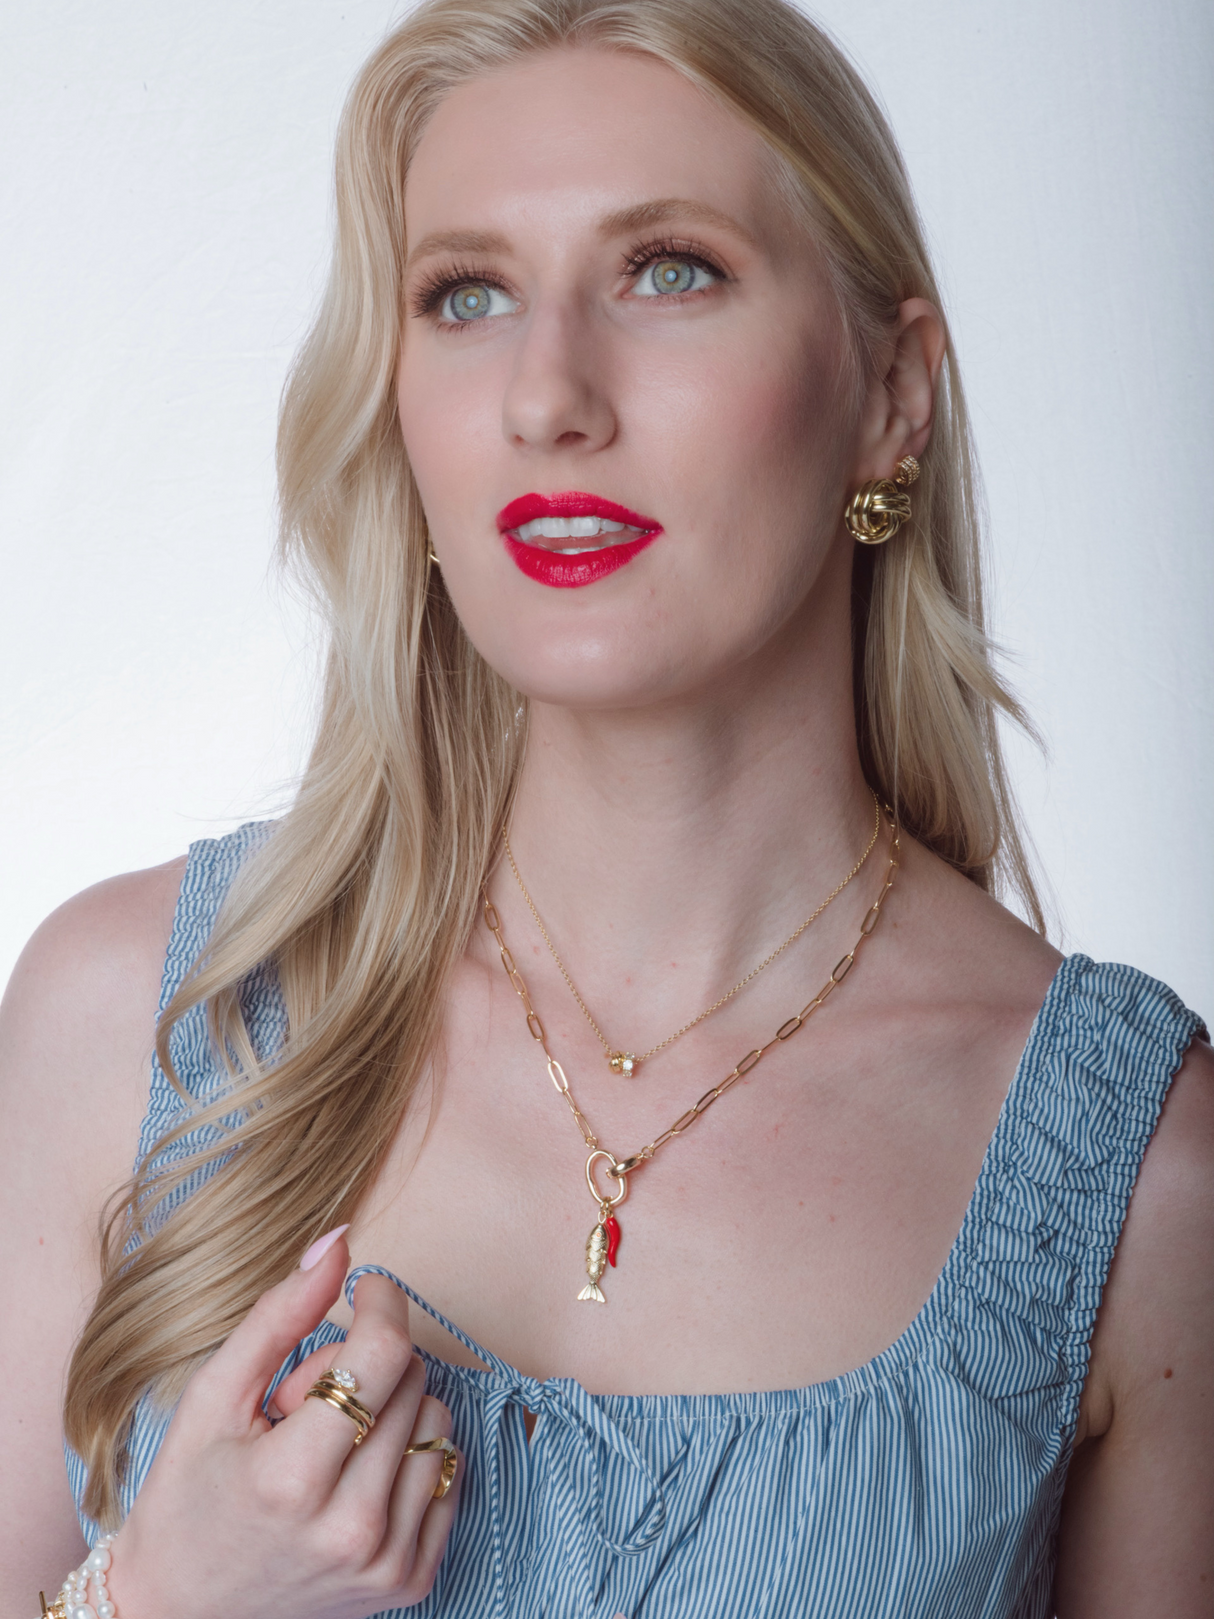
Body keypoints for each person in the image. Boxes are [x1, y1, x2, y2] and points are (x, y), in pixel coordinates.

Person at [2, 0, 1210, 1614]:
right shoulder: (132, 1023)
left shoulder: (1140, 1181)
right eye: (467, 295)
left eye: (669, 271)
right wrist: (153, 1599)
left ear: (889, 397)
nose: (547, 394)